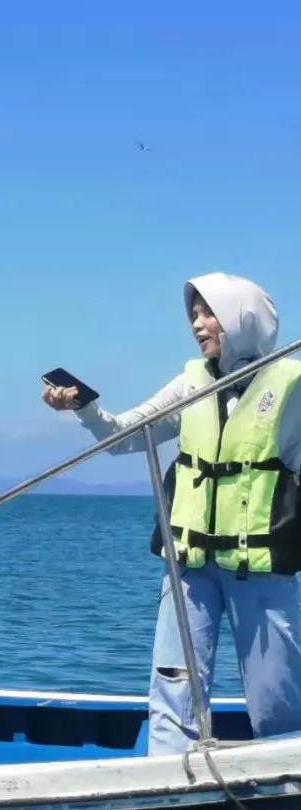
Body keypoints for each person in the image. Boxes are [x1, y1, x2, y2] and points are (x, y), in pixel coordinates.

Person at [43, 272, 301, 755]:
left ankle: (285, 776)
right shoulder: (191, 383)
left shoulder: (292, 387)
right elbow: (122, 435)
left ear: (241, 317)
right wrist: (85, 409)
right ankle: (167, 772)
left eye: (209, 314)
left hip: (261, 567)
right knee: (173, 683)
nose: (197, 325)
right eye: (193, 315)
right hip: (189, 565)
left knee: (276, 693)